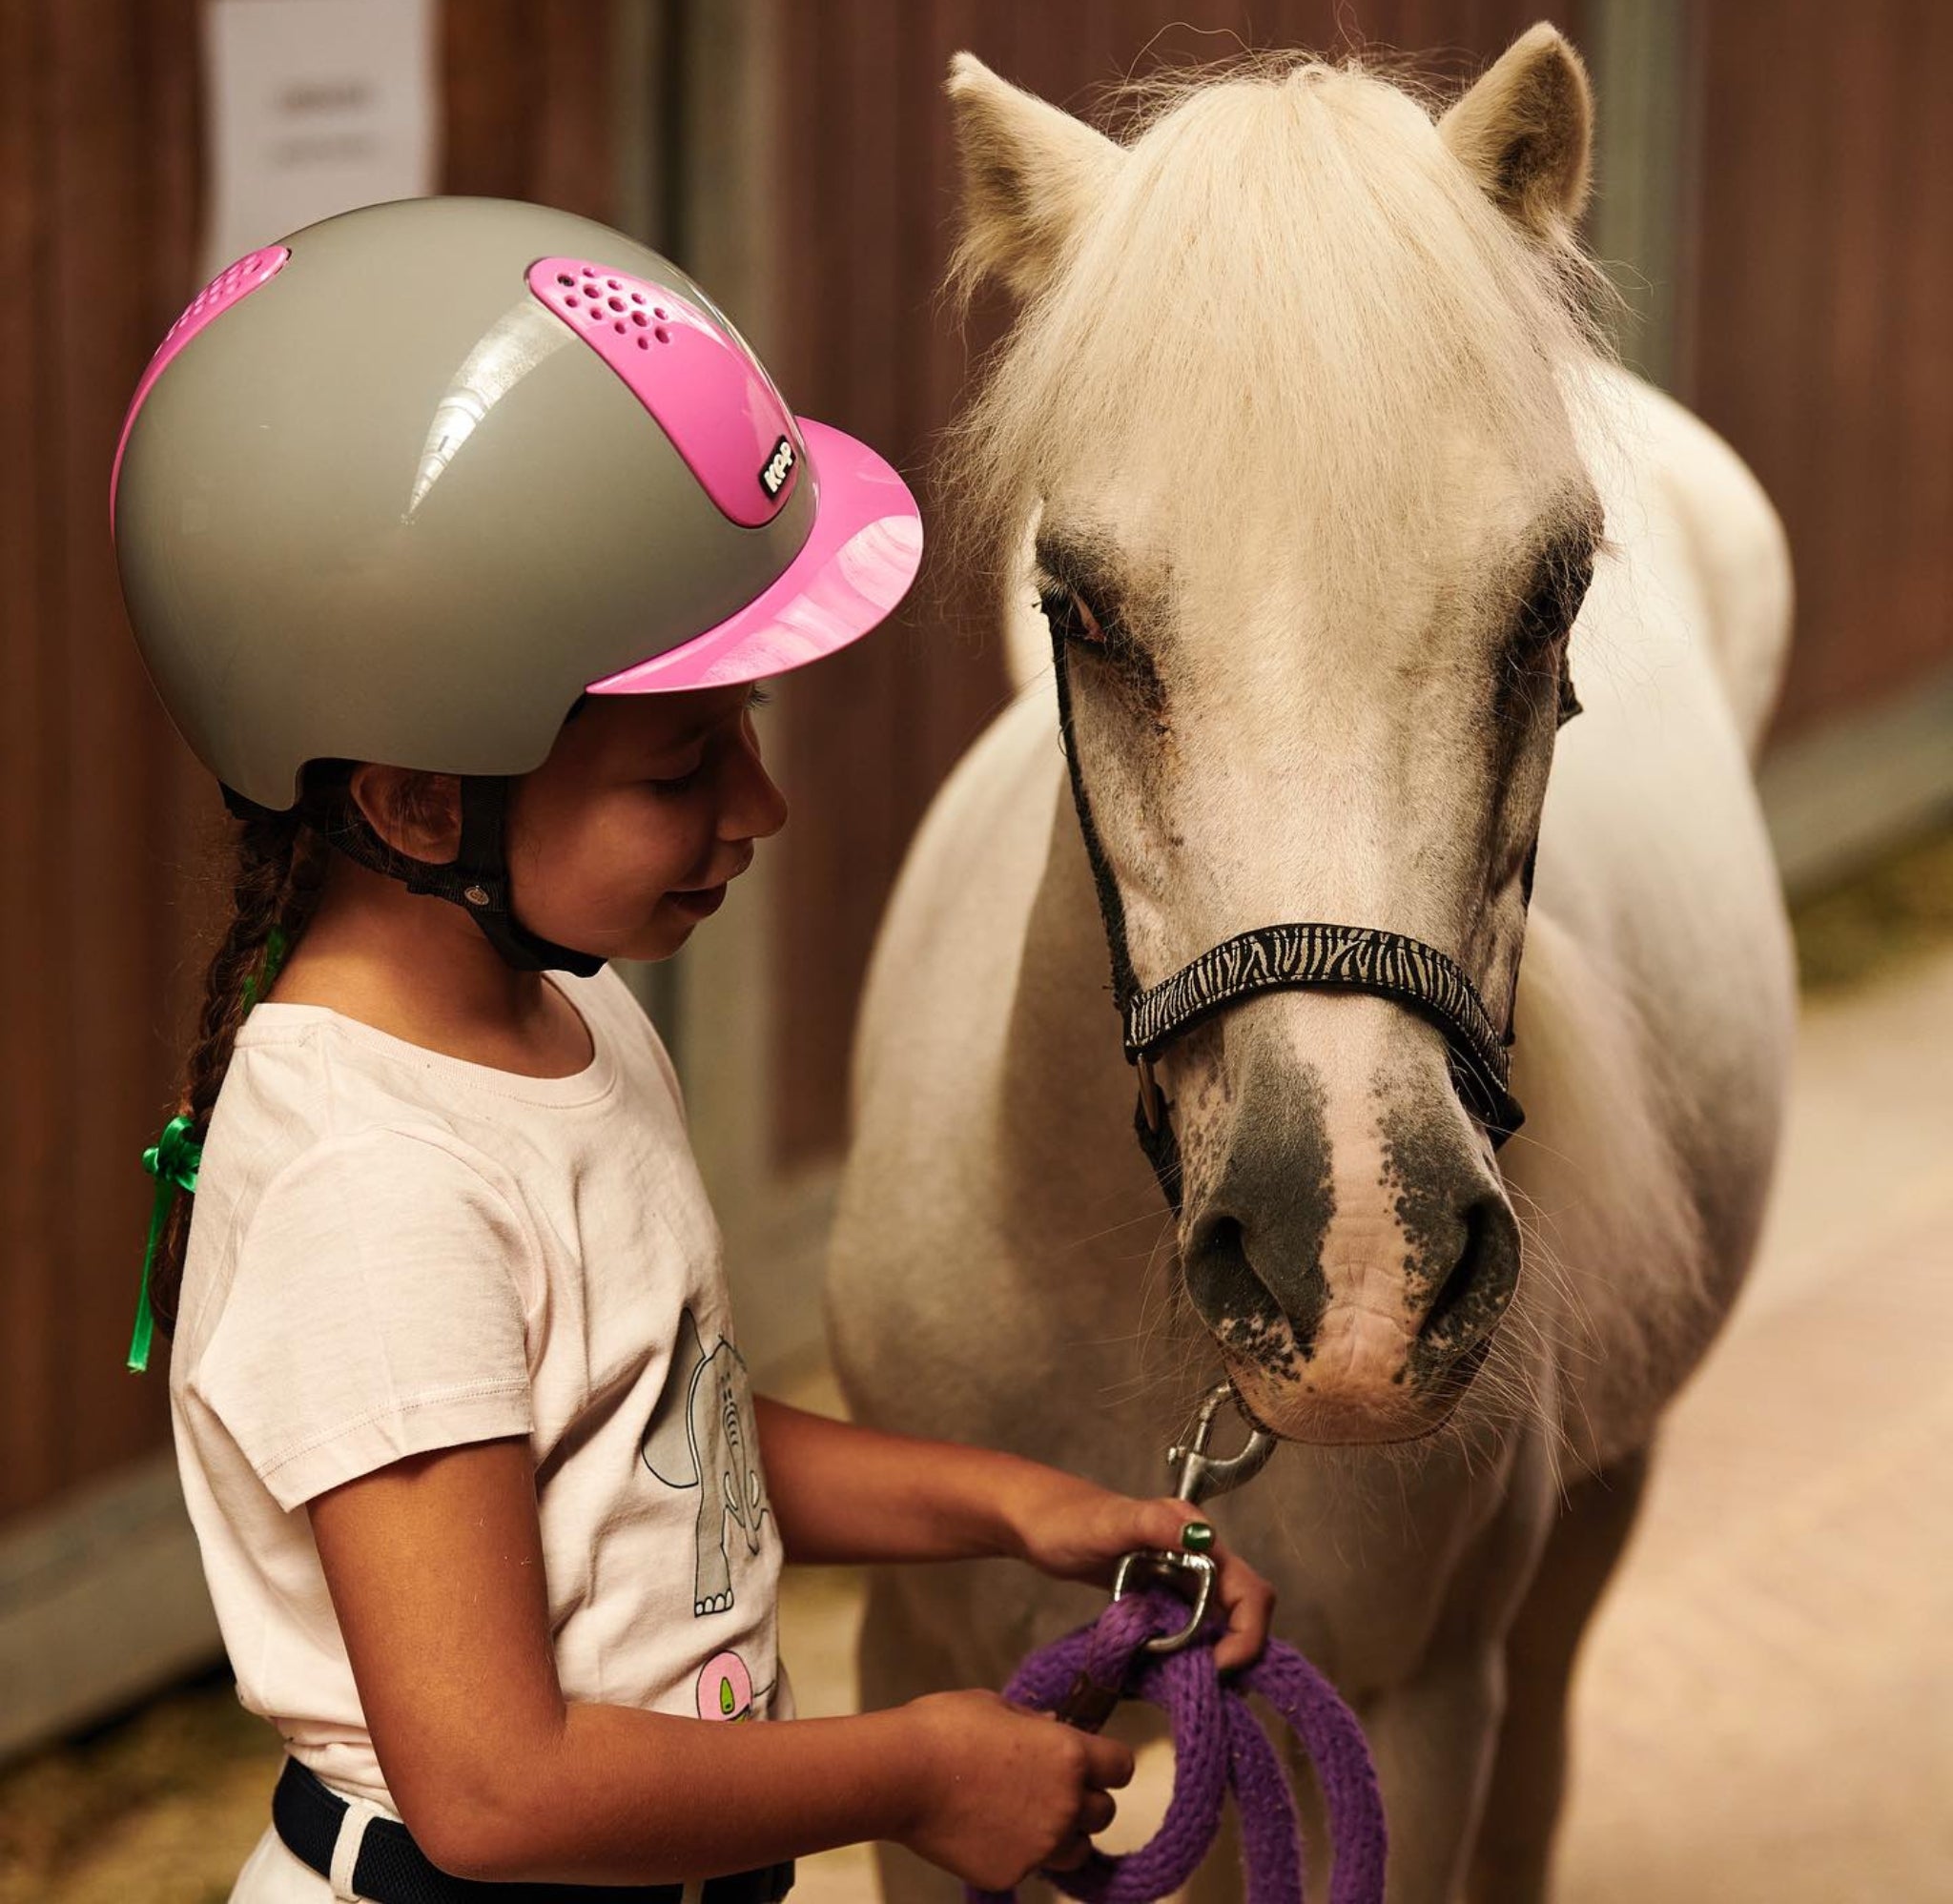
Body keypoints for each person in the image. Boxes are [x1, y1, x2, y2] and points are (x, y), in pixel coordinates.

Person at [112, 195, 1274, 1904]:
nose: (763, 807)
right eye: (678, 772)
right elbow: (496, 1790)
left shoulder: (566, 1018)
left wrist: (1022, 1509)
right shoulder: (374, 1196)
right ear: (420, 795)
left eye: (748, 733)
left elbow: (670, 1446)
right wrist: (918, 1767)